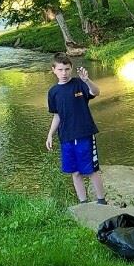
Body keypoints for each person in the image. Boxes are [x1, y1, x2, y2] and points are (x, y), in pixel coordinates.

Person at [45, 52, 106, 205]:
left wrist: (87, 80)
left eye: (67, 69)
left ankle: (101, 201)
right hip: (66, 137)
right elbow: (57, 115)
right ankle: (83, 203)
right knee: (75, 172)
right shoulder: (53, 92)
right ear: (53, 70)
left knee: (91, 169)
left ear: (71, 68)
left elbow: (96, 92)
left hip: (85, 133)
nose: (64, 73)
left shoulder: (79, 83)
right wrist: (50, 134)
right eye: (60, 70)